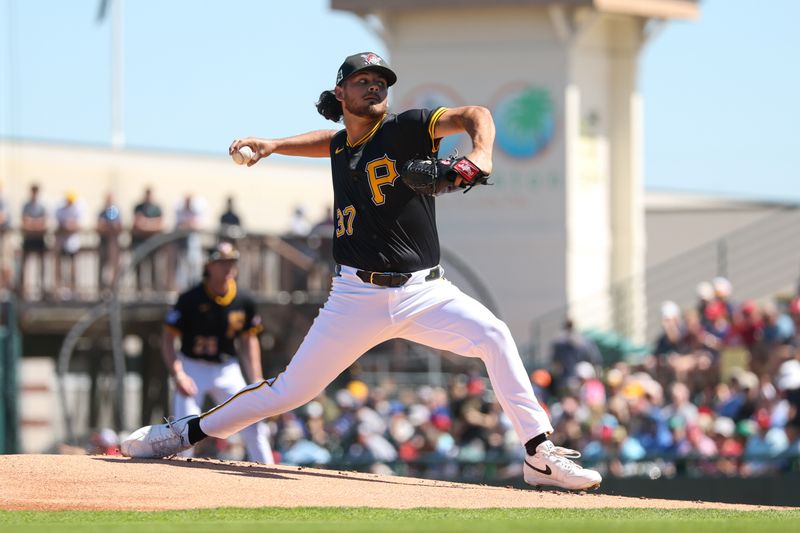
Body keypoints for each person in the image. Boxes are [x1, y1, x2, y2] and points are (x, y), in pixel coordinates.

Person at [121, 52, 600, 490]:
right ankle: (182, 433)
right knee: (289, 391)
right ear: (340, 94)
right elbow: (325, 143)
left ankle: (539, 454)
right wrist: (273, 144)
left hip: (425, 292)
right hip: (354, 297)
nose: (375, 87)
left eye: (382, 81)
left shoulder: (408, 127)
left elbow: (478, 115)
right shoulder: (340, 148)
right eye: (363, 80)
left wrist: (482, 154)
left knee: (494, 335)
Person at [159, 241, 273, 464]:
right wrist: (178, 374)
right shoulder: (190, 299)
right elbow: (167, 339)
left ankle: (267, 468)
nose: (228, 267)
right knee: (184, 427)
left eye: (232, 262)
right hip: (192, 366)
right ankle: (178, 480)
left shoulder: (244, 300)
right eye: (222, 262)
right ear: (209, 265)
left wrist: (256, 378)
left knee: (252, 418)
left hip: (226, 367)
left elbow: (250, 340)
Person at [130, 187, 164, 292]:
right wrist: (150, 223)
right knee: (139, 266)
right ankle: (139, 288)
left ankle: (154, 288)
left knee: (154, 266)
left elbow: (160, 225)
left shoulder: (157, 208)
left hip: (153, 242)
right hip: (139, 242)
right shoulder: (138, 207)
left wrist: (145, 223)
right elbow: (137, 224)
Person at [20, 184, 48, 299]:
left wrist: (33, 223)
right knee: (25, 264)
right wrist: (34, 224)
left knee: (41, 264)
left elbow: (44, 221)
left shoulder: (42, 206)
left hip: (39, 239)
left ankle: (41, 287)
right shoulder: (26, 205)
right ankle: (23, 288)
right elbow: (25, 221)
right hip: (28, 238)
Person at [54, 190, 84, 298]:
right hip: (62, 242)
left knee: (73, 268)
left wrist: (70, 225)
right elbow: (60, 224)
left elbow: (78, 224)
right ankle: (61, 289)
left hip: (73, 243)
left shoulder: (78, 208)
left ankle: (73, 289)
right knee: (61, 267)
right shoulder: (60, 208)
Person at [96, 192, 124, 291]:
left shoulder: (116, 211)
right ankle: (102, 288)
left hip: (114, 243)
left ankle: (114, 287)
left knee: (115, 266)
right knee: (102, 267)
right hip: (104, 242)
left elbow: (119, 226)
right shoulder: (102, 212)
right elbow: (100, 226)